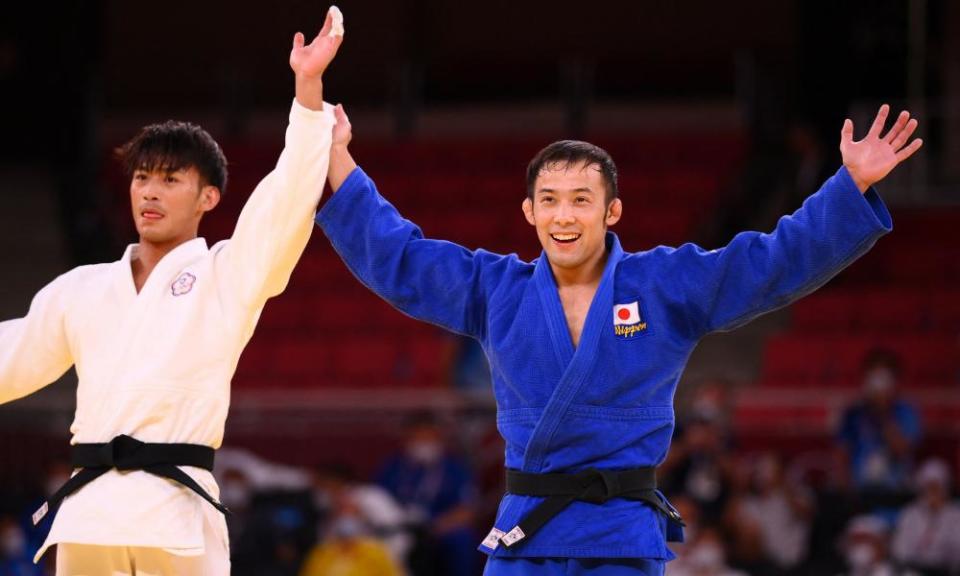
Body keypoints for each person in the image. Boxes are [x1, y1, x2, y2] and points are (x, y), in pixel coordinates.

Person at [315, 101, 921, 576]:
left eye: (582, 200)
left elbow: (769, 264)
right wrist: (340, 158)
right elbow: (403, 259)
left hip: (620, 538)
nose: (564, 215)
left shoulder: (662, 285)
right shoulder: (497, 289)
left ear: (612, 212)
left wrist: (849, 188)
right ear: (528, 212)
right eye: (549, 200)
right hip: (526, 537)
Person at [0, 7, 344, 574]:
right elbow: (13, 359)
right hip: (90, 517)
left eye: (170, 179)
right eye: (141, 177)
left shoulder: (227, 275)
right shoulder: (82, 289)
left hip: (176, 513)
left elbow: (283, 205)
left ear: (208, 197)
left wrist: (308, 92)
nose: (150, 193)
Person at [377, 414, 478, 576]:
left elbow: (466, 511)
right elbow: (377, 500)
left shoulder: (454, 469)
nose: (423, 443)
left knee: (461, 538)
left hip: (439, 525)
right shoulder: (393, 468)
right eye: (418, 438)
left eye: (429, 438)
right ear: (407, 439)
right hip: (398, 524)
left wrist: (434, 528)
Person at [836, 348, 921, 494]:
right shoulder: (853, 413)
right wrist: (847, 491)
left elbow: (902, 450)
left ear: (894, 380)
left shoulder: (907, 412)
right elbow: (842, 454)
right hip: (862, 494)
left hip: (896, 492)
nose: (878, 384)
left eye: (884, 377)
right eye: (874, 377)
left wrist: (883, 412)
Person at [891, 459, 960, 575]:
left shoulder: (956, 514)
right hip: (914, 570)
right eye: (928, 487)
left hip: (946, 571)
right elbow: (900, 550)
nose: (932, 492)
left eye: (936, 487)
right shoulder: (910, 513)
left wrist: (937, 516)